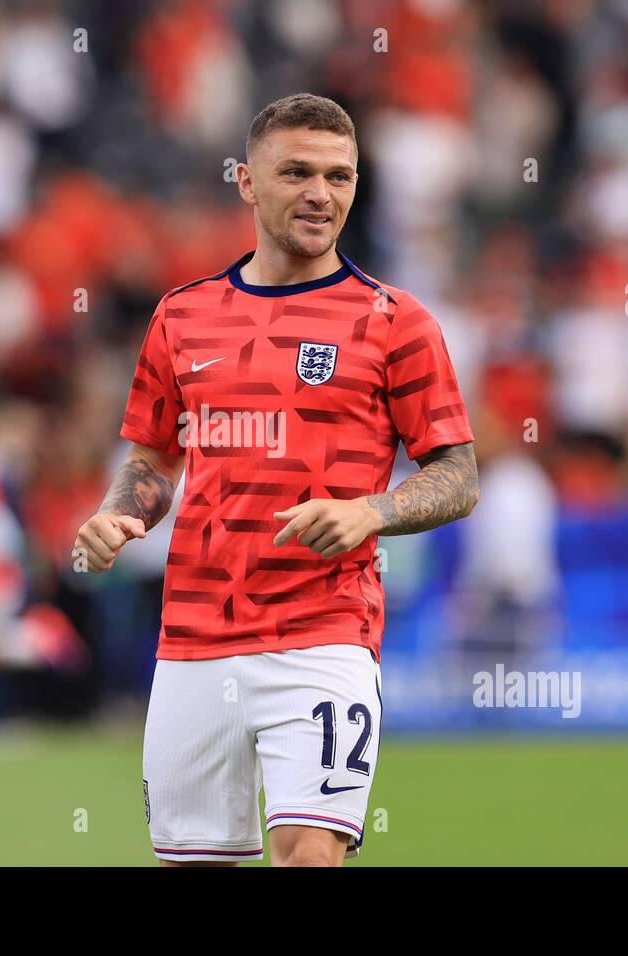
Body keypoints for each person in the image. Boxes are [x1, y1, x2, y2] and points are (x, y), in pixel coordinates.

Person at [73, 94, 478, 867]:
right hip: (194, 639)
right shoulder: (182, 316)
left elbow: (458, 473)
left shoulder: (397, 322)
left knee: (307, 855)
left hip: (322, 635)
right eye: (296, 172)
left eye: (339, 176)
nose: (320, 194)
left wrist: (374, 511)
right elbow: (155, 460)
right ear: (246, 181)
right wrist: (123, 516)